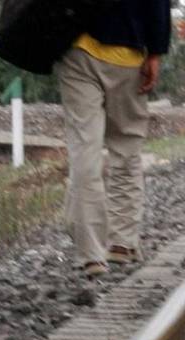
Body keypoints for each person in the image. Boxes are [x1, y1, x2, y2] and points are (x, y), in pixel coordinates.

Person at [55, 0, 171, 278]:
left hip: (77, 50)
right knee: (126, 150)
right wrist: (155, 51)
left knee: (85, 151)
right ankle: (121, 242)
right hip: (127, 55)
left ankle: (91, 255)